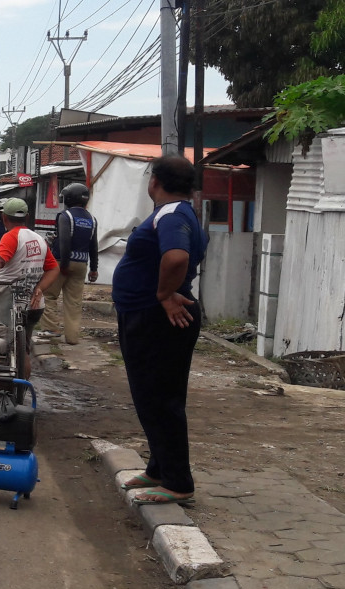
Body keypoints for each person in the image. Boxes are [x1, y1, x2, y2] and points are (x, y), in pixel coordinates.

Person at [113, 156, 208, 506]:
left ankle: (178, 482)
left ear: (154, 182)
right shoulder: (182, 212)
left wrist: (165, 294)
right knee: (154, 396)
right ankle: (158, 469)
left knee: (159, 400)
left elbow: (176, 257)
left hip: (157, 318)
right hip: (152, 316)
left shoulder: (171, 214)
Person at [0, 197, 60, 378]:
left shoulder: (11, 236)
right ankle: (21, 390)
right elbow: (54, 268)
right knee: (23, 351)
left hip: (5, 303)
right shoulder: (39, 239)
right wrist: (39, 288)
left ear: (4, 218)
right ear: (27, 217)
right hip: (34, 306)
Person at [39, 182, 98, 345]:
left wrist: (64, 265)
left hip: (61, 262)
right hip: (82, 264)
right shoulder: (92, 219)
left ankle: (51, 329)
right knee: (74, 302)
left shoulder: (65, 216)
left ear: (69, 199)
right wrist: (94, 269)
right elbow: (94, 246)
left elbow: (64, 241)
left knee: (48, 295)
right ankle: (72, 338)